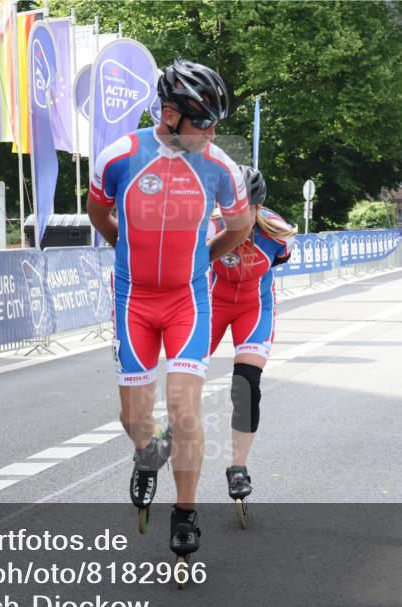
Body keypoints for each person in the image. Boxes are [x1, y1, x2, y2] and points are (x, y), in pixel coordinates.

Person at [87, 58, 252, 561]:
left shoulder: (220, 167)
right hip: (133, 300)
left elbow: (241, 227)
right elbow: (99, 212)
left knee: (184, 410)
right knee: (134, 418)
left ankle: (185, 513)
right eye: (203, 121)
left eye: (216, 123)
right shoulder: (120, 156)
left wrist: (204, 259)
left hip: (188, 302)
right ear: (170, 114)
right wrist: (125, 251)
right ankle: (147, 452)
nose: (212, 132)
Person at [208, 166, 295, 527]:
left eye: (247, 208)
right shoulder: (209, 226)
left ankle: (238, 468)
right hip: (212, 304)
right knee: (184, 377)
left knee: (245, 385)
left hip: (254, 307)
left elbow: (279, 262)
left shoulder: (278, 234)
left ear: (259, 207)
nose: (238, 215)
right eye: (232, 207)